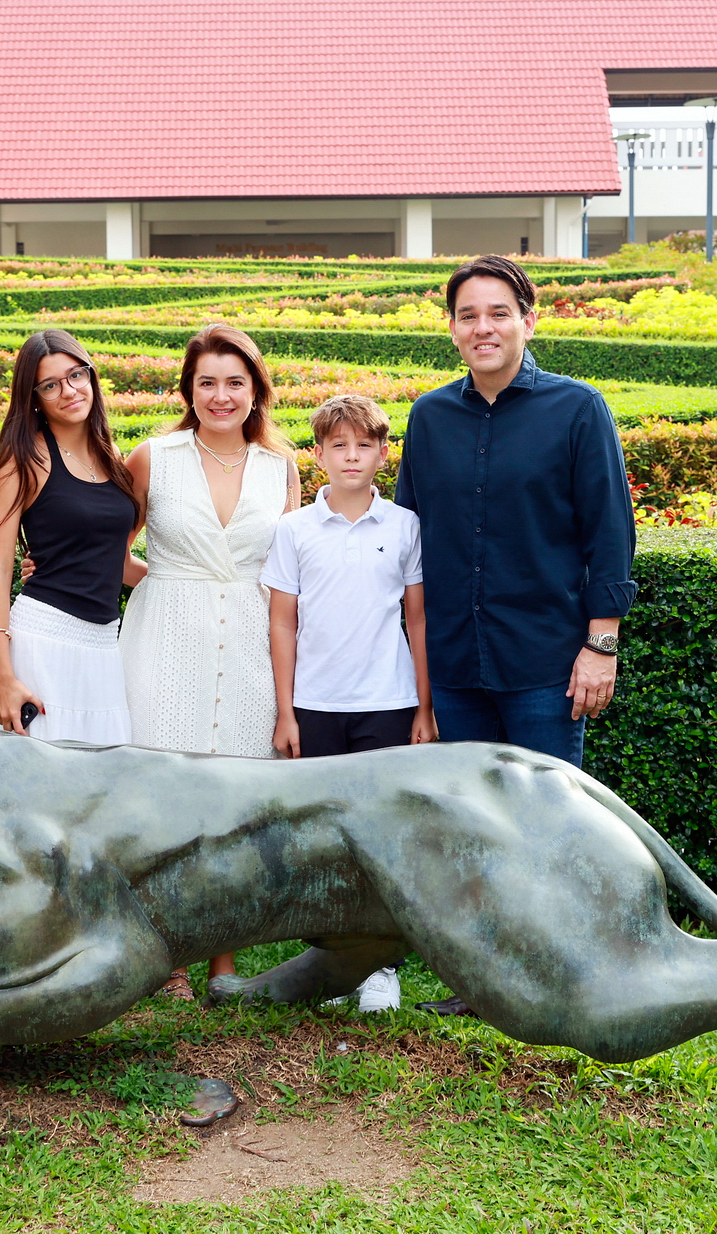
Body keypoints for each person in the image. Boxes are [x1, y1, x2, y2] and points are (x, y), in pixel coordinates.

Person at [395, 254, 637, 1016]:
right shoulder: (431, 418)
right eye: (468, 315)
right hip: (458, 662)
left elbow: (609, 532)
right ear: (452, 330)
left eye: (499, 312)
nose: (484, 327)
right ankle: (485, 982)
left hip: (545, 660)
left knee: (549, 822)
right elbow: (406, 544)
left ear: (529, 320)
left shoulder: (577, 409)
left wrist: (601, 643)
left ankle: (567, 976)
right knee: (476, 826)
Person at [119, 322, 301, 1002]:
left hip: (254, 642)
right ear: (188, 390)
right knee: (163, 793)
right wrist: (160, 582)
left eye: (234, 382)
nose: (221, 395)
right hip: (166, 635)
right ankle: (165, 960)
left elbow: (289, 570)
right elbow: (112, 545)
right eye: (207, 383)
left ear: (256, 390)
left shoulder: (280, 469)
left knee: (235, 800)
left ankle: (224, 960)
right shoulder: (153, 458)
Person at [264, 393, 433, 1014]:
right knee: (325, 838)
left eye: (364, 445)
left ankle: (382, 967)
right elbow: (282, 623)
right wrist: (286, 711)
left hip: (388, 702)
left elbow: (417, 621)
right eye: (339, 445)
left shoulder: (405, 526)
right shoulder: (295, 529)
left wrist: (423, 707)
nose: (352, 456)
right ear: (319, 455)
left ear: (383, 454)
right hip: (315, 705)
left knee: (384, 836)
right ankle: (334, 963)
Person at [0, 330, 144, 745]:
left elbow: (116, 563)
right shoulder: (25, 460)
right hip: (44, 642)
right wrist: (3, 675)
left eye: (76, 376)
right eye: (51, 385)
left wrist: (190, 584)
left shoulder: (112, 458)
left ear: (91, 377)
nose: (69, 391)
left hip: (106, 646)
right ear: (34, 396)